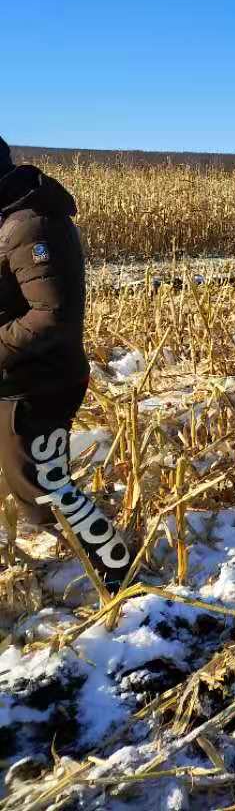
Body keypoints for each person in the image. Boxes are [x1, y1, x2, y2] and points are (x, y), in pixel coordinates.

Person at [0, 138, 132, 588]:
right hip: (17, 378)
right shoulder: (10, 219)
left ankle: (117, 573)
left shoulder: (30, 226)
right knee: (29, 484)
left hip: (39, 383)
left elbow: (50, 314)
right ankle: (53, 553)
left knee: (48, 484)